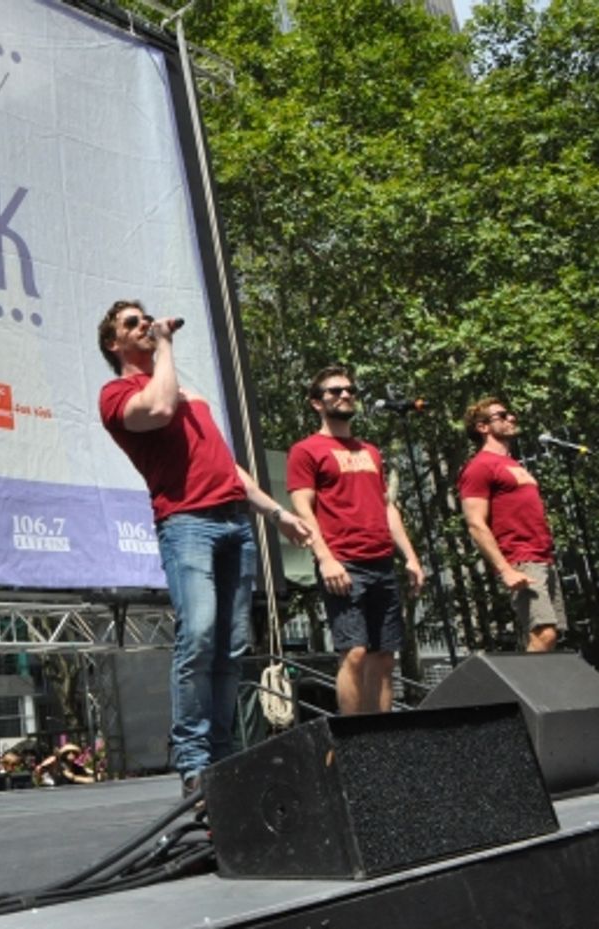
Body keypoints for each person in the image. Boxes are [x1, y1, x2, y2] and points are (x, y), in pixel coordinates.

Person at [97, 300, 312, 796]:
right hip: (188, 524)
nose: (145, 326)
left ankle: (222, 754)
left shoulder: (191, 396)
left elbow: (226, 466)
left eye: (145, 318)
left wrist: (275, 513)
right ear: (115, 344)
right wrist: (166, 344)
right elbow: (158, 408)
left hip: (235, 522)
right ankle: (193, 758)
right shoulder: (118, 394)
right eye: (132, 324)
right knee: (198, 636)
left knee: (232, 645)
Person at [286, 366, 424, 714]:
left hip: (381, 563)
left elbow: (387, 506)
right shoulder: (306, 450)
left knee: (384, 657)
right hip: (343, 563)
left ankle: (382, 741)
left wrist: (410, 556)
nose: (345, 395)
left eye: (350, 390)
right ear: (316, 403)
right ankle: (353, 741)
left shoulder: (371, 451)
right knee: (355, 652)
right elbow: (302, 507)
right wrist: (324, 558)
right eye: (334, 391)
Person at [458, 398, 566, 652]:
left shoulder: (513, 464)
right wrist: (505, 569)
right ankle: (526, 693)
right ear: (483, 427)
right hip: (521, 558)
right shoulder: (479, 467)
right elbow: (475, 523)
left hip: (543, 558)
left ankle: (537, 691)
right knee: (544, 634)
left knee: (551, 636)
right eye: (502, 416)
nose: (512, 418)